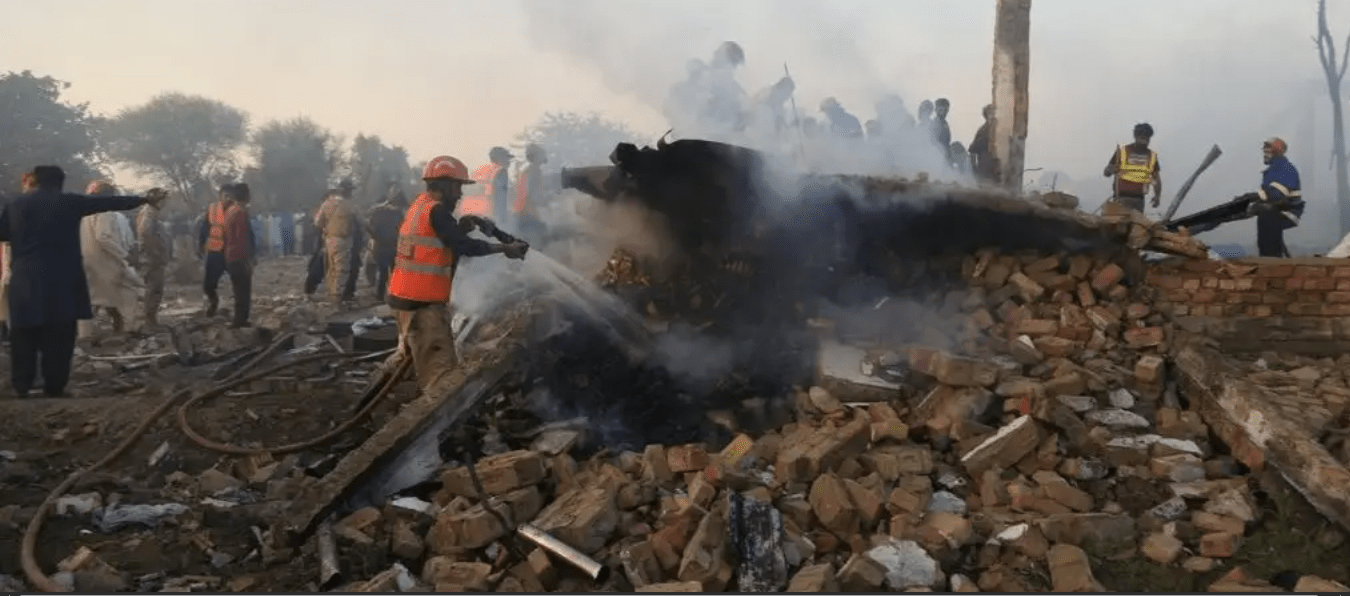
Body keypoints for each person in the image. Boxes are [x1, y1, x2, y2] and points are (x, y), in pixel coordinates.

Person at [0, 166, 165, 397]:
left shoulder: (16, 204)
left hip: (25, 278)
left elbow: (4, 235)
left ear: (35, 181)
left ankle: (21, 386)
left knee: (24, 334)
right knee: (59, 335)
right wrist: (144, 199)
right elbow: (110, 203)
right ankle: (54, 387)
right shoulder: (70, 202)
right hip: (63, 278)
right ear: (60, 182)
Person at [386, 155, 527, 390]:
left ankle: (385, 395)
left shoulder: (420, 206)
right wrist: (504, 248)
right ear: (444, 185)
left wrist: (461, 228)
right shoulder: (437, 211)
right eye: (457, 187)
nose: (460, 194)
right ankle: (435, 410)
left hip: (404, 298)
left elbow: (439, 243)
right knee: (441, 374)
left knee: (413, 354)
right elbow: (465, 247)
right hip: (424, 305)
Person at [80, 181, 144, 336]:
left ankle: (85, 335)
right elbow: (104, 237)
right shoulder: (106, 211)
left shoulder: (85, 212)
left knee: (93, 299)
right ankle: (130, 329)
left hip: (89, 260)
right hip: (105, 261)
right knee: (128, 293)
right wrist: (125, 255)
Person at [1243, 137, 1303, 258]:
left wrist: (1253, 197)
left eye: (1267, 149)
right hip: (1277, 209)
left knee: (1266, 212)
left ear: (1277, 150)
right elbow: (1268, 194)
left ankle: (1271, 256)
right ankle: (1268, 254)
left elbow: (1277, 194)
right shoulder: (1274, 169)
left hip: (1287, 210)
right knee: (1263, 211)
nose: (1264, 152)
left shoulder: (1285, 168)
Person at [315, 178, 359, 307]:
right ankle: (336, 298)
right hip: (343, 240)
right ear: (347, 191)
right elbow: (362, 222)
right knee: (342, 269)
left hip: (329, 239)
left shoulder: (327, 203)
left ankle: (331, 294)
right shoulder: (350, 205)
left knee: (331, 268)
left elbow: (317, 222)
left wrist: (327, 228)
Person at [1103, 122, 1163, 213]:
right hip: (1121, 198)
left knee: (1135, 221)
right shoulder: (1122, 152)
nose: (1145, 141)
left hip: (1138, 201)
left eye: (1147, 139)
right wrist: (1111, 170)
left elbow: (1156, 179)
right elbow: (1106, 172)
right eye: (1142, 138)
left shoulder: (1151, 156)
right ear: (1136, 137)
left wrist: (1157, 197)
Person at [135, 184, 171, 329]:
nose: (165, 203)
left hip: (153, 258)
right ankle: (150, 321)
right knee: (154, 289)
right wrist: (156, 253)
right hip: (152, 259)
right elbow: (146, 235)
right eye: (162, 199)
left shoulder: (151, 213)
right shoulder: (148, 214)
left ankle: (151, 320)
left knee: (155, 289)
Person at [366, 186, 408, 302]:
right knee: (394, 271)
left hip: (381, 244)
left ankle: (380, 295)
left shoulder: (378, 211)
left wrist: (374, 237)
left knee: (382, 271)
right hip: (394, 245)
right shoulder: (400, 214)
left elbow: (369, 225)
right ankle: (394, 295)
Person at [199, 184, 235, 317]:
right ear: (220, 196)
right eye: (226, 195)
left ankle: (239, 311)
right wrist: (202, 246)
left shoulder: (238, 211)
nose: (228, 198)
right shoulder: (212, 210)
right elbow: (204, 230)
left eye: (231, 196)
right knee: (208, 285)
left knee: (238, 282)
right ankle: (213, 304)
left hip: (232, 253)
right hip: (215, 254)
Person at [513, 144, 551, 243]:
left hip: (524, 213)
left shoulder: (527, 171)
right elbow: (532, 194)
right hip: (529, 214)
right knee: (538, 242)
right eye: (541, 155)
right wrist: (545, 201)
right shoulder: (534, 172)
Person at [473, 147, 514, 224]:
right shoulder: (501, 172)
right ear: (499, 158)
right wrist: (502, 217)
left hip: (488, 212)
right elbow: (500, 197)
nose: (509, 161)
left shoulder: (489, 171)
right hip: (497, 215)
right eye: (506, 158)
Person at [969, 104, 997, 183]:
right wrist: (974, 167)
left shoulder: (1001, 129)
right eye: (990, 113)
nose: (993, 115)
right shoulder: (982, 130)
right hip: (985, 165)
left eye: (994, 113)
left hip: (997, 167)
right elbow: (972, 149)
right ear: (986, 116)